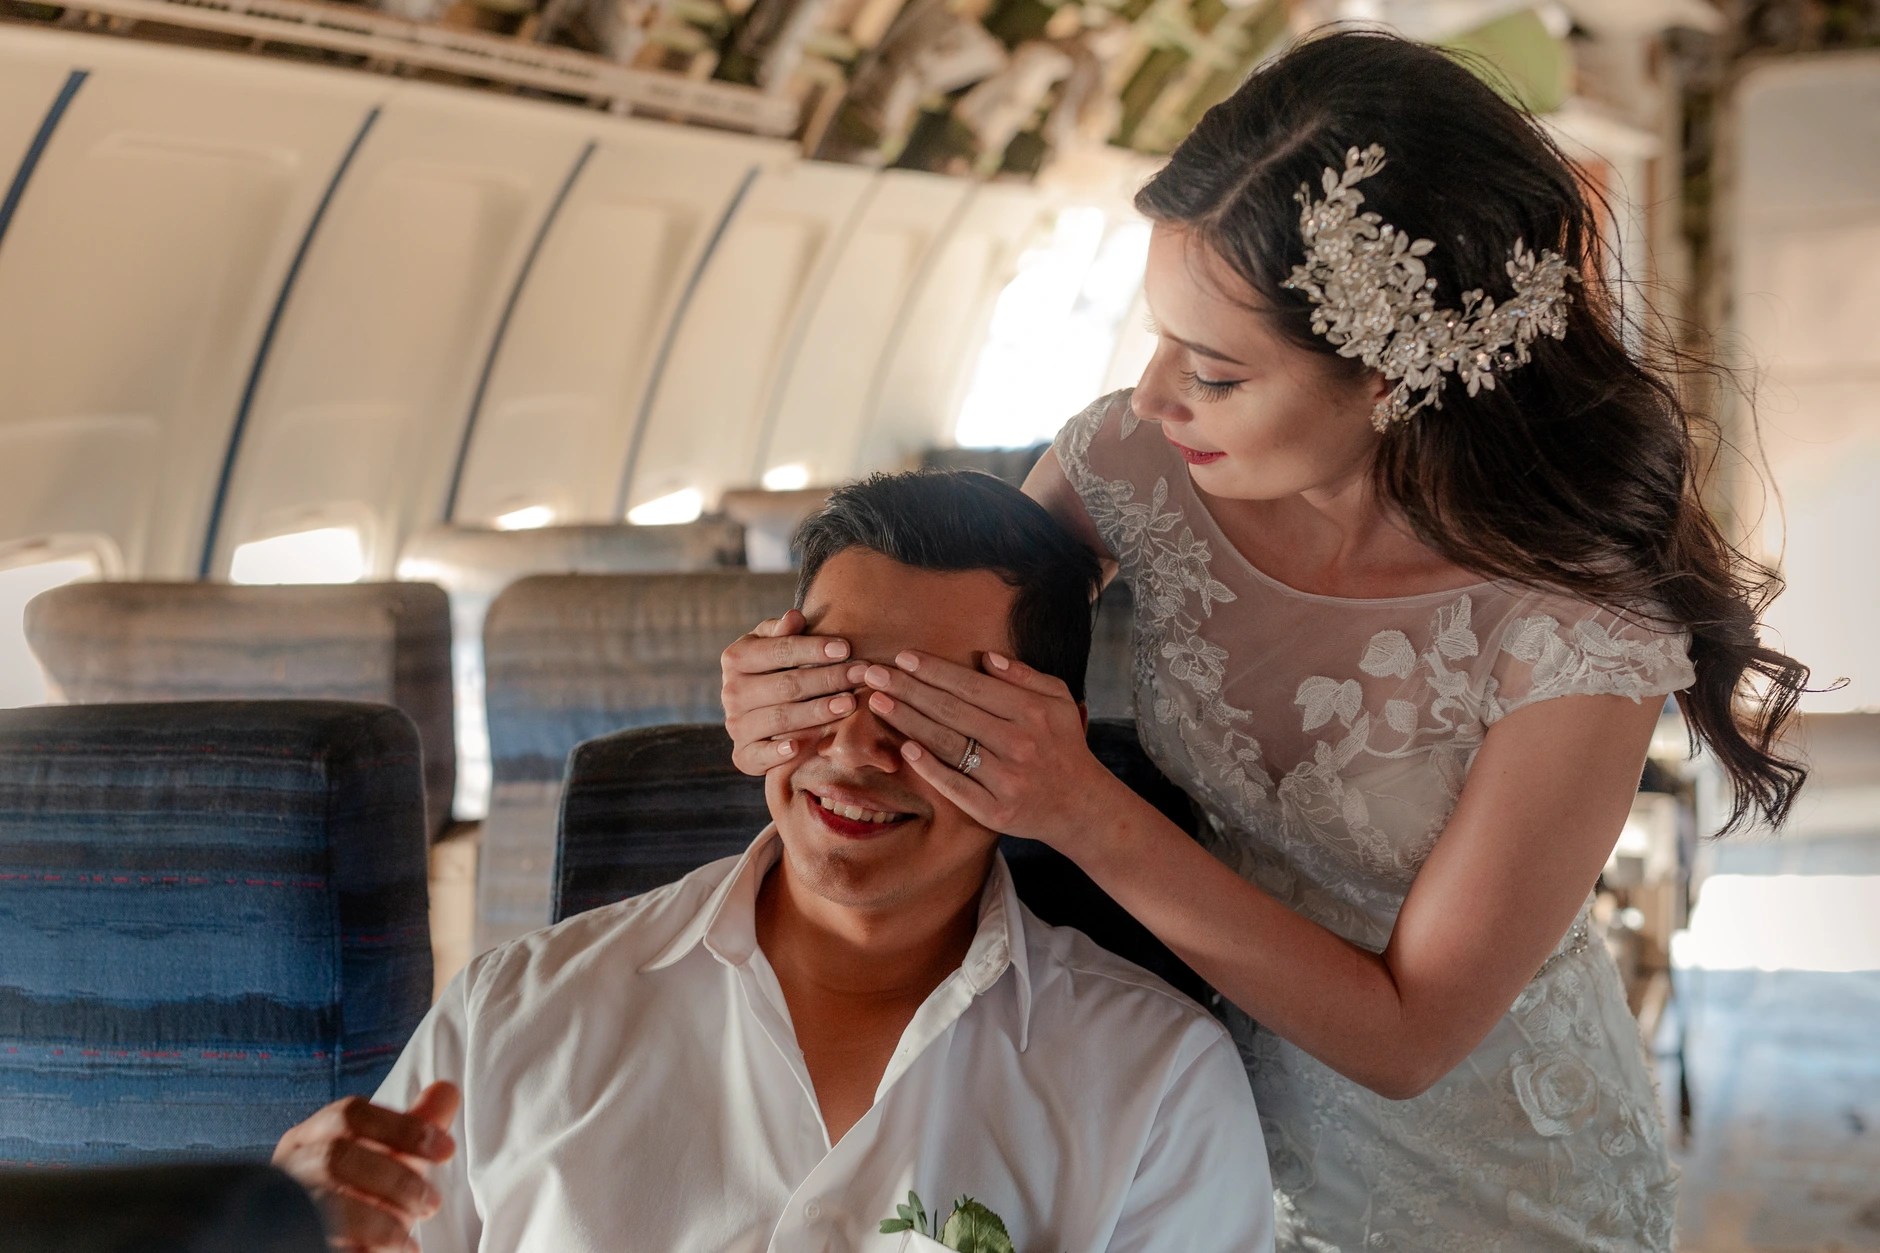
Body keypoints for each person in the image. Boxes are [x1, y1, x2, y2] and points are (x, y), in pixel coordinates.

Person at [719, 32, 1811, 1253]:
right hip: (1177, 1105)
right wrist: (798, 686)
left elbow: (1408, 1034)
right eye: (1155, 336)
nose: (1148, 398)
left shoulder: (1577, 622)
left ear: (1393, 377)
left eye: (1216, 371)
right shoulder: (1135, 464)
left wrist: (1084, 810)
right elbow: (951, 624)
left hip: (1479, 1169)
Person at [273, 470, 1275, 1253]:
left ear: (1038, 741)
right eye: (824, 681)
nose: (854, 747)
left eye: (931, 707)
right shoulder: (512, 1016)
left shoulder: (1155, 1082)